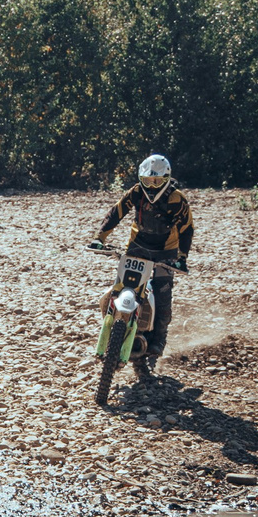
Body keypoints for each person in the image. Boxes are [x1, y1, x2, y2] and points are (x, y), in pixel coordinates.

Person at [95, 152, 192, 388]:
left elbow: (187, 228)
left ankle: (157, 342)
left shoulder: (177, 199)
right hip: (136, 246)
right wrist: (100, 238)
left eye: (157, 182)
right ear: (141, 179)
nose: (151, 186)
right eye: (148, 181)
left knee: (162, 293)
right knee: (120, 286)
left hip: (165, 252)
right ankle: (114, 324)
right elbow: (117, 212)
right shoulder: (136, 192)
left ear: (167, 180)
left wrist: (181, 257)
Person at [93, 283, 154, 408]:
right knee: (113, 289)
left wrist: (177, 262)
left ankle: (157, 342)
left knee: (162, 288)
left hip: (158, 268)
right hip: (129, 270)